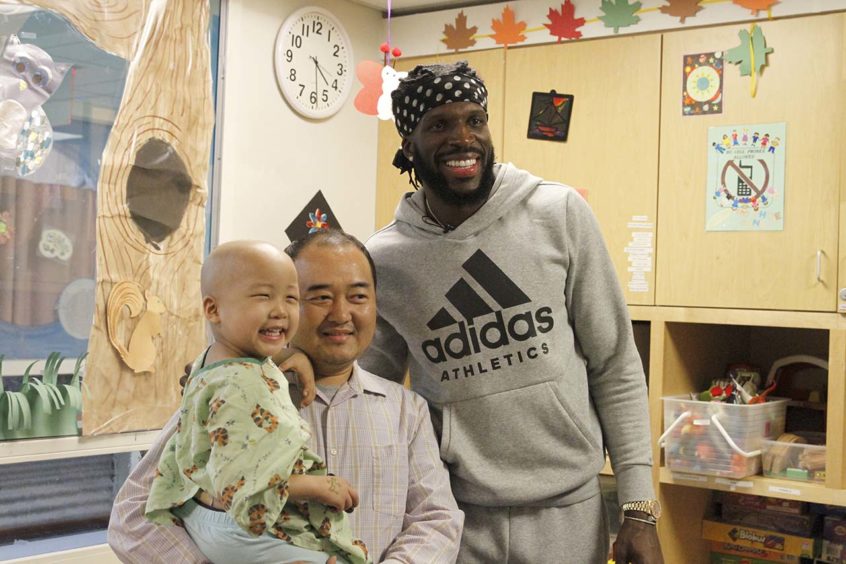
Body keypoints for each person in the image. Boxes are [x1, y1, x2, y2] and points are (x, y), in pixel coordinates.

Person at [361, 61, 664, 563]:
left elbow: (615, 365)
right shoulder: (385, 260)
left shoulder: (558, 213)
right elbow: (369, 390)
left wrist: (639, 507)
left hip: (570, 512)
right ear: (408, 146)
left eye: (474, 120)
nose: (464, 137)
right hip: (452, 517)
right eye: (439, 124)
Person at [108, 232, 463, 564]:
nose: (341, 314)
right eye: (319, 297)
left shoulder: (405, 411)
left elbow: (437, 520)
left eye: (358, 296)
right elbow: (133, 517)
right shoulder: (236, 391)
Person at [144, 240, 368, 564]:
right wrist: (317, 486)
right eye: (263, 296)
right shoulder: (241, 385)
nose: (280, 310)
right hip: (240, 527)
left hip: (202, 515)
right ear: (213, 309)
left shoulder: (214, 363)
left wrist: (291, 355)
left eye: (291, 298)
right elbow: (240, 481)